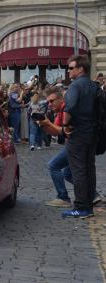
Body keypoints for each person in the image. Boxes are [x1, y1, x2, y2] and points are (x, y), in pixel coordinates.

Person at [61, 55, 99, 218]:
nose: (68, 71)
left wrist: (65, 126)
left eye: (71, 68)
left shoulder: (75, 86)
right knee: (89, 169)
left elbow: (69, 108)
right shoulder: (94, 85)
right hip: (92, 132)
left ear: (80, 69)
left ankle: (81, 207)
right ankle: (88, 206)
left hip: (77, 133)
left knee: (78, 171)